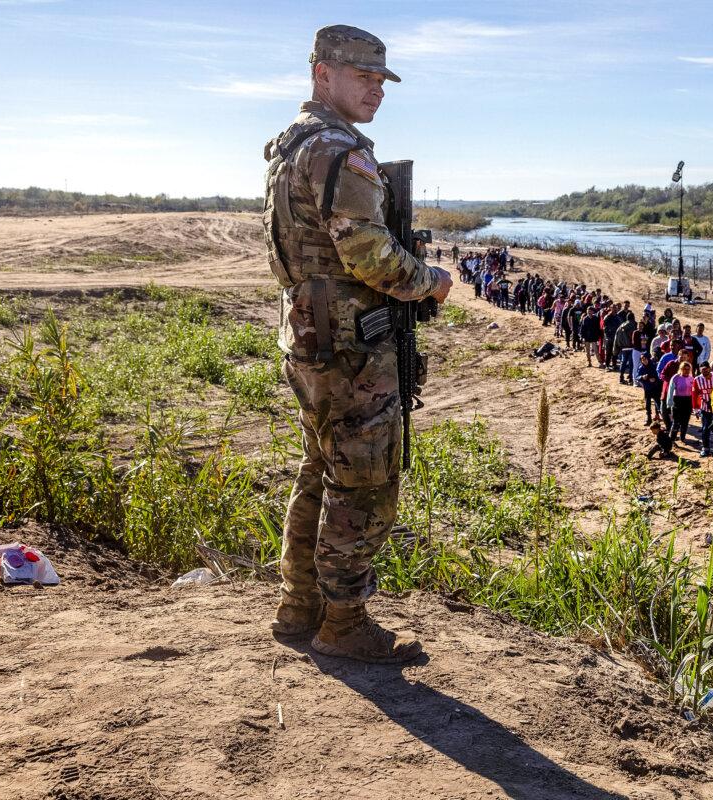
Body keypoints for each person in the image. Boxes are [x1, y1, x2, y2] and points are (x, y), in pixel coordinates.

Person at [264, 25, 452, 664]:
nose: (375, 89)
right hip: (349, 346)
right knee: (364, 481)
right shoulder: (341, 152)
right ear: (322, 74)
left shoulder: (293, 146)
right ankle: (343, 622)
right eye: (362, 76)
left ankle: (299, 608)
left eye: (381, 79)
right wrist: (430, 282)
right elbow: (369, 256)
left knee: (320, 467)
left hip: (311, 335)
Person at [693, 361, 713, 457]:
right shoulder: (697, 380)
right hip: (705, 408)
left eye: (706, 370)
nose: (704, 372)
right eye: (702, 370)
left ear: (709, 369)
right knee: (705, 429)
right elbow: (695, 395)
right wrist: (696, 409)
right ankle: (706, 448)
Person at [669, 361, 696, 443]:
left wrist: (695, 405)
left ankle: (682, 438)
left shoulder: (692, 379)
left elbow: (694, 393)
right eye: (684, 369)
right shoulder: (676, 377)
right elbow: (670, 391)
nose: (686, 371)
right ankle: (671, 439)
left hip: (688, 401)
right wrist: (669, 403)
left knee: (685, 422)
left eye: (688, 369)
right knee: (676, 422)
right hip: (677, 401)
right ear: (681, 369)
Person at [637, 353, 662, 426]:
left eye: (645, 359)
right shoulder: (641, 368)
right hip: (647, 388)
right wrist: (642, 377)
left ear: (648, 358)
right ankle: (649, 418)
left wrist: (654, 380)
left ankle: (658, 416)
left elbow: (659, 376)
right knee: (648, 404)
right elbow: (637, 377)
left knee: (658, 403)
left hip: (656, 387)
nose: (644, 361)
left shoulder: (654, 366)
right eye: (642, 359)